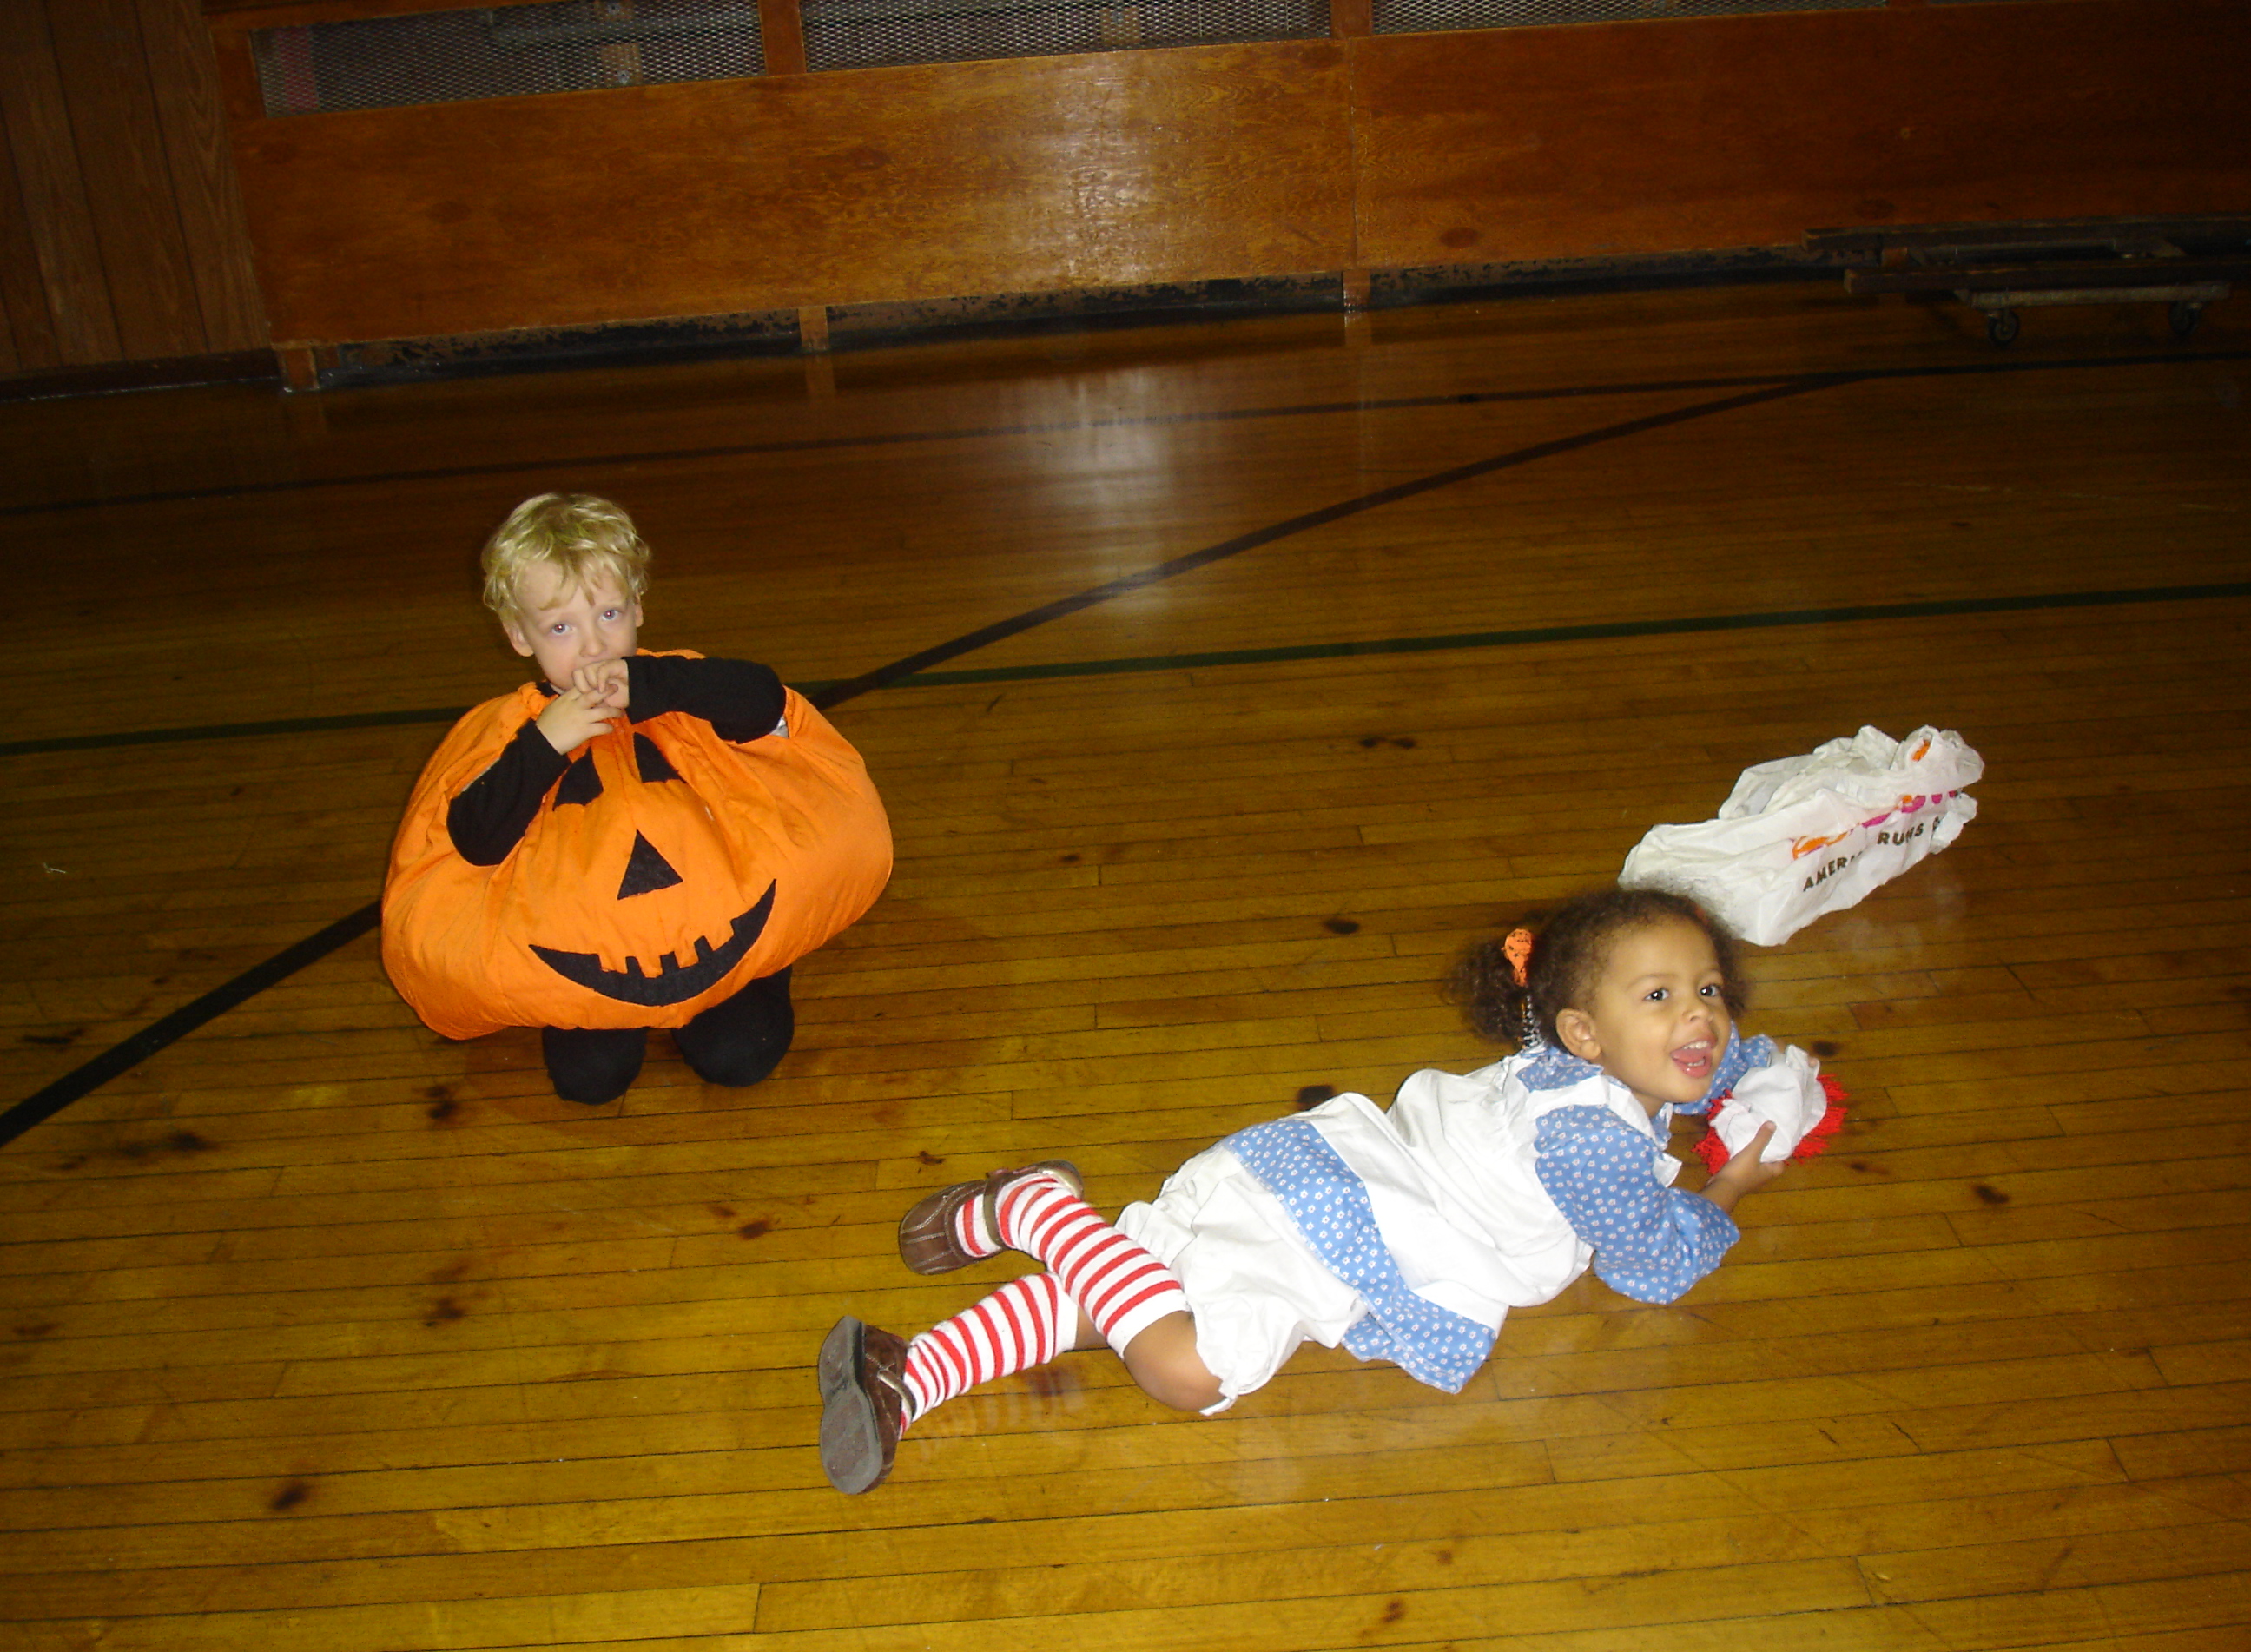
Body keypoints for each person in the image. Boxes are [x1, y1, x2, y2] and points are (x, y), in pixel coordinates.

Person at [818, 885, 1833, 1495]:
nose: (1700, 1017)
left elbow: (1711, 1060)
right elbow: (1652, 1264)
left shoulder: (1570, 1065)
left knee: (1129, 1302)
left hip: (1326, 1188)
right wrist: (1732, 1183)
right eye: (1660, 996)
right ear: (1583, 1031)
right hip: (1348, 1227)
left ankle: (908, 1375)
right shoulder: (1593, 1143)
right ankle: (1037, 1207)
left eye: (1708, 989)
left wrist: (1755, 1073)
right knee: (1189, 1371)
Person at [382, 493, 891, 1103]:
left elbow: (763, 699)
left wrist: (654, 684)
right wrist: (545, 745)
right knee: (590, 1080)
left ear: (638, 607)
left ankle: (763, 966)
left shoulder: (678, 681)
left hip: (720, 911)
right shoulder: (508, 730)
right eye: (561, 628)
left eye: (609, 614)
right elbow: (474, 838)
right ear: (519, 636)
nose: (594, 647)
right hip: (592, 942)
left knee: (740, 1057)